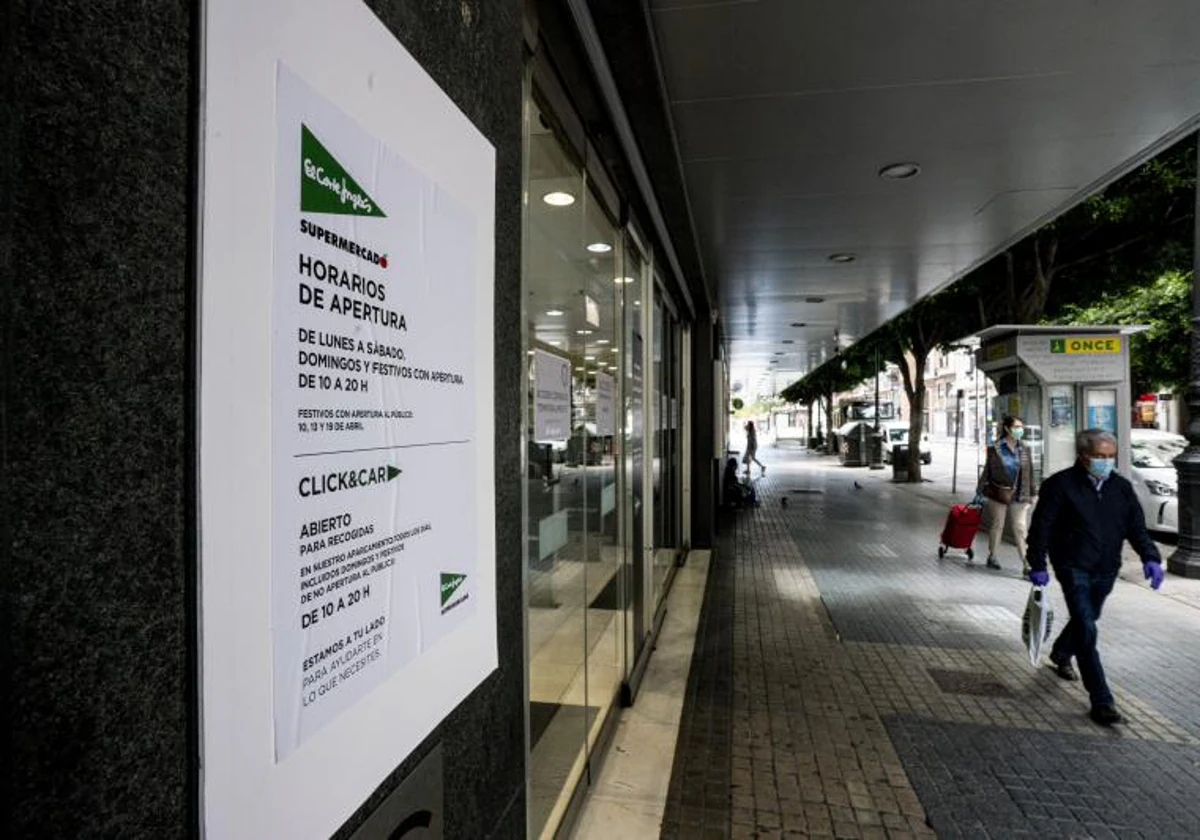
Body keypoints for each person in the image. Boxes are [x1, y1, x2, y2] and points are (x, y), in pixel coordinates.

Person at [1025, 428, 1164, 726]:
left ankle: (1062, 652)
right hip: (1072, 566)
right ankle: (1102, 700)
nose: (1106, 462)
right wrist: (1037, 564)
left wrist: (1151, 557)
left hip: (1106, 568)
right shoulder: (1060, 486)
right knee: (1087, 628)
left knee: (1087, 618)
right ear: (1083, 456)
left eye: (1111, 456)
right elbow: (1041, 528)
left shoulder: (1122, 488)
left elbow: (1136, 528)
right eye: (1100, 456)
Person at [975, 415, 1036, 572]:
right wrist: (980, 491)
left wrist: (1033, 493)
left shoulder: (1024, 449)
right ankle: (993, 555)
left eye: (1021, 427)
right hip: (998, 491)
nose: (1020, 430)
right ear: (1007, 429)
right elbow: (987, 471)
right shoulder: (995, 448)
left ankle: (1027, 564)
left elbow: (1029, 472)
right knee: (997, 524)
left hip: (1019, 494)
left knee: (1020, 528)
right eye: (1016, 427)